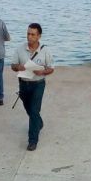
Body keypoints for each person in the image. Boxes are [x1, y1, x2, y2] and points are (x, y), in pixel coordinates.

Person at [11, 23, 54, 151]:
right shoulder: (20, 49)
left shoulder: (45, 50)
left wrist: (42, 72)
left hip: (38, 84)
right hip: (23, 84)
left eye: (33, 34)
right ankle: (39, 123)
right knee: (29, 110)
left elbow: (51, 68)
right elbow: (13, 65)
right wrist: (19, 67)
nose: (30, 37)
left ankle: (32, 141)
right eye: (28, 34)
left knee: (34, 110)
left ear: (39, 36)